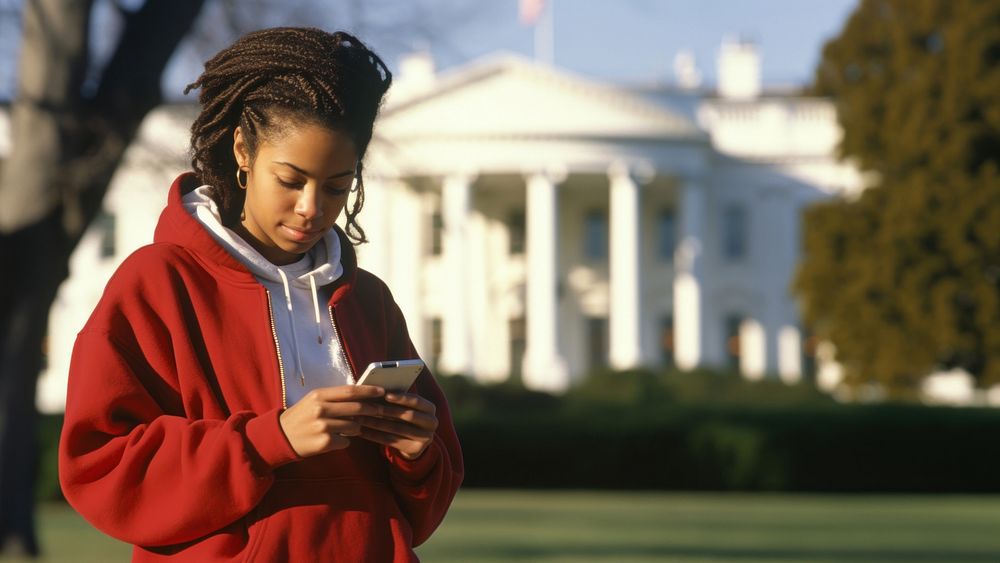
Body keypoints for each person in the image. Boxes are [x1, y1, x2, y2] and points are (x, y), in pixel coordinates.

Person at [58, 27, 463, 562]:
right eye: (292, 180)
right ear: (243, 150)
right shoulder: (157, 282)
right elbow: (101, 466)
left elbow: (423, 505)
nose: (312, 208)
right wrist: (270, 439)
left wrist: (416, 453)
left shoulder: (368, 301)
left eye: (338, 186)